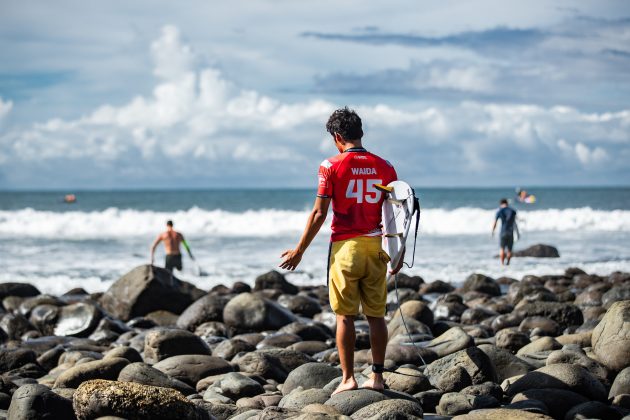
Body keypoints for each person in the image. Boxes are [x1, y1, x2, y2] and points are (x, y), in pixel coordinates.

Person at [279, 107, 400, 395]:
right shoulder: (385, 166)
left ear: (337, 137)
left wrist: (299, 250)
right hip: (377, 248)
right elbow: (397, 214)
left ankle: (348, 379)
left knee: (344, 316)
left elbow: (320, 213)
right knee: (376, 316)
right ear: (361, 133)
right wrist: (398, 253)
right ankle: (378, 377)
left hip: (346, 249)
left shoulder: (330, 166)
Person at [492, 199, 519, 265]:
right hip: (510, 232)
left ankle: (502, 264)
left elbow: (495, 222)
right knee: (510, 250)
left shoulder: (499, 211)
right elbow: (515, 222)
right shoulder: (512, 211)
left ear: (501, 203)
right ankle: (508, 263)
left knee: (502, 249)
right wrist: (517, 233)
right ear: (507, 203)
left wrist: (493, 231)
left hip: (503, 232)